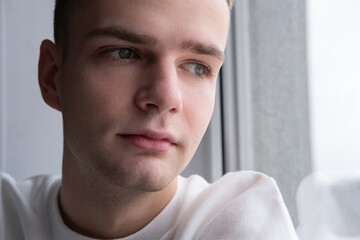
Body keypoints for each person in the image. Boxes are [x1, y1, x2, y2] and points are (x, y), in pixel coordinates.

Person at [0, 0, 298, 239]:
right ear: (52, 76)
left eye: (197, 67)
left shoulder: (241, 223)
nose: (167, 97)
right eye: (124, 52)